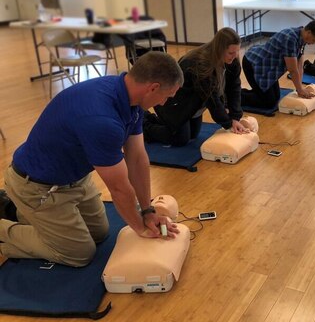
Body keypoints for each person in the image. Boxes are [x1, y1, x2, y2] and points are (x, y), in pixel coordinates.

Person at [0, 51, 184, 267]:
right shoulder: (101, 119)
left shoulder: (130, 97)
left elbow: (136, 158)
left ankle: (22, 212)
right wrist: (141, 228)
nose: (163, 103)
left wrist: (147, 211)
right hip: (37, 187)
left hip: (73, 178)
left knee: (99, 233)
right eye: (167, 96)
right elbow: (119, 189)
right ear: (152, 87)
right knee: (79, 254)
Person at [143, 27, 248, 147]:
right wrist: (229, 123)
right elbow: (211, 99)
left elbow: (234, 88)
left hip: (192, 102)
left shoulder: (232, 61)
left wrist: (235, 116)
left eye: (237, 52)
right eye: (231, 53)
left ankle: (160, 121)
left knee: (193, 134)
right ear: (219, 49)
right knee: (180, 139)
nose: (234, 56)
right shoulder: (200, 63)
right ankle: (144, 125)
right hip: (171, 102)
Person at [241, 20, 315, 110]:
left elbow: (300, 66)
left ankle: (250, 93)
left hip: (267, 68)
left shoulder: (302, 38)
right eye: (313, 40)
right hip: (254, 63)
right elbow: (293, 70)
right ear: (309, 32)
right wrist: (299, 89)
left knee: (275, 98)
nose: (312, 43)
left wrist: (300, 88)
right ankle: (234, 97)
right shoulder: (290, 38)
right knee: (268, 103)